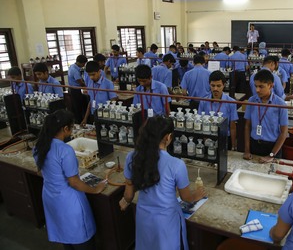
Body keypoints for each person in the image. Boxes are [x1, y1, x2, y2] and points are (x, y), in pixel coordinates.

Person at [119, 116, 206, 250]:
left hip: (144, 217)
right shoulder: (176, 164)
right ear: (168, 137)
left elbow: (129, 195)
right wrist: (197, 195)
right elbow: (186, 198)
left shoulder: (133, 157)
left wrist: (125, 201)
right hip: (166, 221)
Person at [33, 109, 106, 250]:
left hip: (50, 198)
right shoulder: (65, 150)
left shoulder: (39, 146)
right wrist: (95, 189)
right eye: (72, 127)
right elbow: (74, 182)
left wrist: (55, 179)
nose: (72, 130)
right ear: (65, 128)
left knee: (66, 238)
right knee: (81, 239)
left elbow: (40, 172)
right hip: (68, 202)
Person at [243, 70, 288, 163]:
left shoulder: (280, 104)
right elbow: (247, 126)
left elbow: (284, 133)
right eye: (256, 86)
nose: (257, 90)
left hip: (272, 147)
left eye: (261, 87)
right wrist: (247, 150)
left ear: (270, 86)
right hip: (254, 145)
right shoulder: (251, 101)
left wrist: (271, 155)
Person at [198, 71, 239, 150]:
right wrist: (205, 139)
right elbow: (201, 123)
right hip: (208, 137)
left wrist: (234, 146)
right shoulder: (203, 101)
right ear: (209, 84)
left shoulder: (231, 102)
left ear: (224, 85)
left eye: (218, 86)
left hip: (225, 138)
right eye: (213, 85)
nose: (215, 89)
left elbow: (232, 126)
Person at [82, 61, 118, 125]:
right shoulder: (90, 83)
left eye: (93, 74)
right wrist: (85, 118)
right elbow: (91, 101)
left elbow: (113, 101)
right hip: (93, 114)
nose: (91, 77)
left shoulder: (108, 83)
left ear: (99, 72)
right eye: (89, 75)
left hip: (105, 115)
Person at [68, 55, 87, 123]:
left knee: (75, 106)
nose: (84, 65)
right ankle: (79, 121)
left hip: (72, 88)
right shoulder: (75, 70)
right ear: (80, 63)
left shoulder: (72, 66)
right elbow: (80, 82)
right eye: (83, 64)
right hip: (76, 90)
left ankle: (78, 120)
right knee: (78, 106)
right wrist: (88, 86)